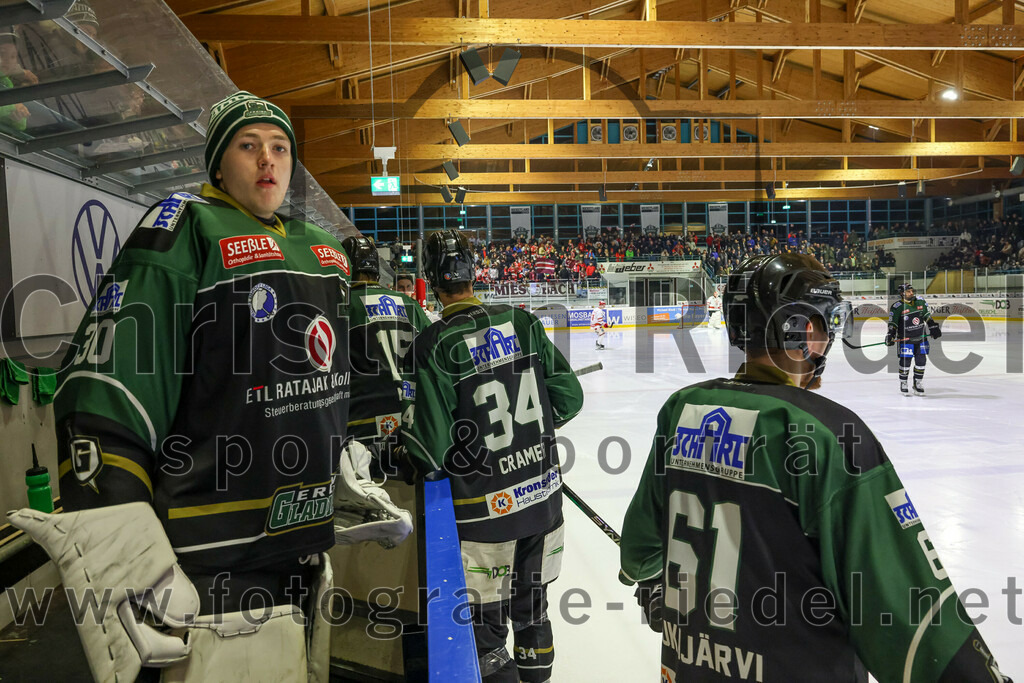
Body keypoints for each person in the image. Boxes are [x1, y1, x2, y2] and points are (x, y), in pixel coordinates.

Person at [9, 92, 361, 683]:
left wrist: (347, 457)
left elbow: (328, 381)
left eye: (280, 148)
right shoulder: (187, 227)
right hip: (211, 553)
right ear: (218, 165)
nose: (268, 162)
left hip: (301, 535)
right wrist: (121, 538)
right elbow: (110, 387)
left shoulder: (318, 248)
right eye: (248, 147)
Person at [618, 253, 1011, 683]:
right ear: (803, 330)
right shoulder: (825, 433)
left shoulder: (681, 410)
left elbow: (640, 551)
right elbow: (912, 622)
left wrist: (655, 584)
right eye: (826, 322)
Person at [401, 229, 584, 682]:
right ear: (473, 273)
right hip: (542, 503)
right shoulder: (521, 322)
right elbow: (569, 399)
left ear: (432, 281)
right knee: (533, 614)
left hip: (485, 518)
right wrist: (527, 434)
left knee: (486, 634)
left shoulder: (435, 344)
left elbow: (431, 449)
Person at [343, 233, 428, 469]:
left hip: (361, 426)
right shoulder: (410, 305)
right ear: (377, 272)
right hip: (410, 420)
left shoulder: (342, 306)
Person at [886, 282, 941, 396]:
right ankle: (903, 382)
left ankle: (917, 382)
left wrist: (933, 326)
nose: (911, 293)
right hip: (906, 340)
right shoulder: (897, 307)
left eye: (912, 291)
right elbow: (893, 323)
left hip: (921, 338)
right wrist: (891, 334)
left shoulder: (920, 301)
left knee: (921, 361)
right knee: (905, 362)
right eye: (908, 291)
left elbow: (926, 316)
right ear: (902, 294)